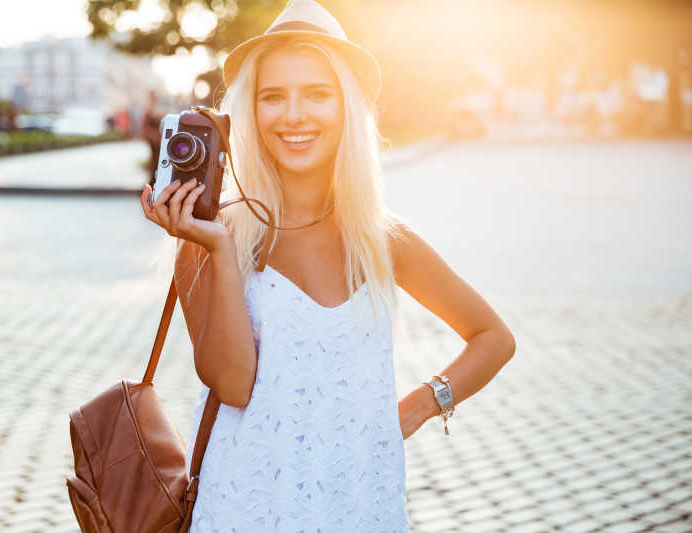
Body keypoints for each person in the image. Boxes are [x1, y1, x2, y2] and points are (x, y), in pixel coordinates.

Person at [139, 0, 516, 530]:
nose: (294, 114)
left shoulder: (383, 241)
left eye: (317, 94)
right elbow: (233, 386)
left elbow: (494, 338)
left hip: (360, 504)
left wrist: (414, 408)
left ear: (347, 108)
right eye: (273, 96)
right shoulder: (211, 238)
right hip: (245, 508)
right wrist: (220, 250)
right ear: (251, 111)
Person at [140, 89, 164, 184]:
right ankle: (153, 182)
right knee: (155, 161)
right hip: (153, 140)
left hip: (159, 140)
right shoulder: (148, 108)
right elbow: (144, 126)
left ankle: (156, 181)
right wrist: (153, 136)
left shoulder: (158, 107)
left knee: (159, 160)